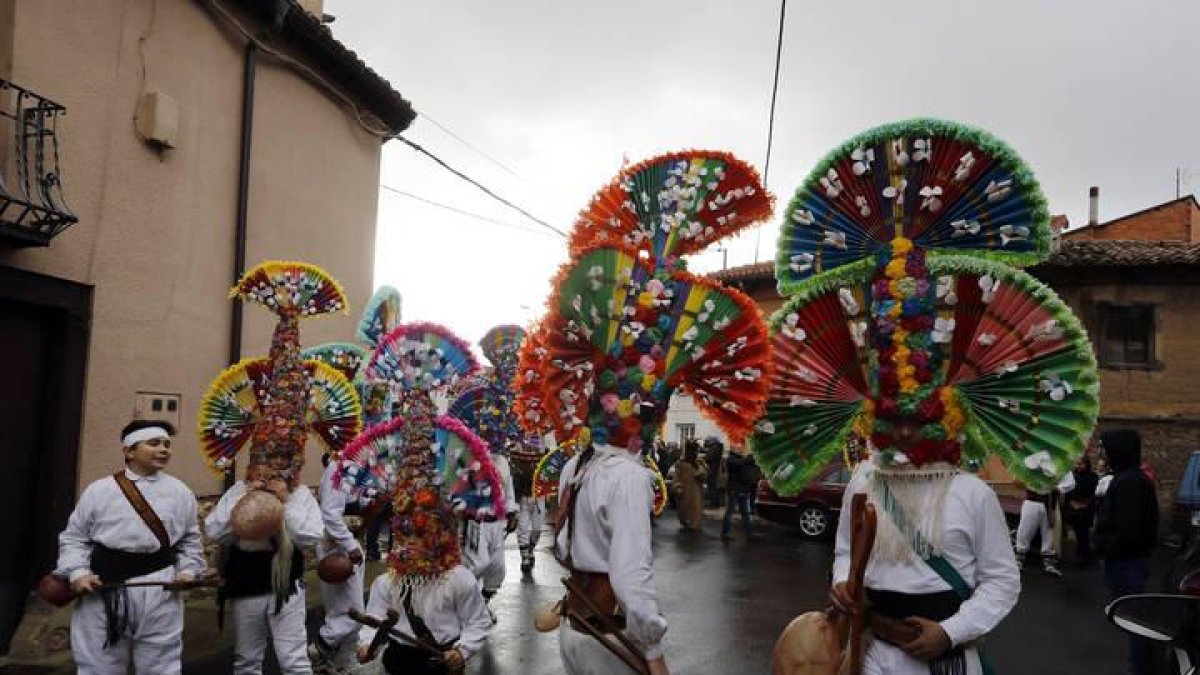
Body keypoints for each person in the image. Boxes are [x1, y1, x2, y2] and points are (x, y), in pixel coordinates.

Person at [512, 150, 776, 675]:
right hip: (611, 637)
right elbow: (632, 579)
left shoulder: (576, 464)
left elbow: (562, 548)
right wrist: (654, 655)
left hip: (575, 629)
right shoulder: (630, 480)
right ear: (651, 418)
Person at [197, 260, 353, 675]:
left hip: (287, 585)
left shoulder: (301, 494)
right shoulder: (239, 490)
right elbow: (214, 531)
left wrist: (278, 507)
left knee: (293, 658)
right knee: (247, 659)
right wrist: (248, 506)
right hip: (247, 583)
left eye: (286, 459)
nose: (274, 466)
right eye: (268, 457)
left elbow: (311, 536)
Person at [55, 420, 206, 675]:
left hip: (160, 589)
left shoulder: (180, 492)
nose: (164, 450)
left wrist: (188, 571)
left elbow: (189, 541)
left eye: (167, 444)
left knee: (162, 666)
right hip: (103, 586)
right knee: (98, 665)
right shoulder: (99, 491)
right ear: (129, 451)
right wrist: (78, 573)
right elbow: (75, 538)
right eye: (154, 443)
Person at [1095, 429, 1159, 675]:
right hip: (1127, 560)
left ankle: (1142, 669)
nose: (1104, 455)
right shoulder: (1128, 478)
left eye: (1107, 450)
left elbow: (1128, 531)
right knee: (1132, 618)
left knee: (1134, 620)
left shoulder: (1130, 481)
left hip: (1126, 562)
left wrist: (1106, 549)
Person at [309, 453, 366, 671]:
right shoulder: (339, 468)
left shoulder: (358, 469)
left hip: (349, 544)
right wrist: (350, 545)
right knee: (351, 614)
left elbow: (357, 505)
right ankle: (320, 647)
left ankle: (343, 664)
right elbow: (331, 514)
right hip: (339, 547)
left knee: (346, 613)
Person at [1013, 471, 1074, 577]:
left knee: (1049, 531)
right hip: (1032, 500)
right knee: (1025, 530)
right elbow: (1018, 481)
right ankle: (1019, 560)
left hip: (1050, 502)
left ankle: (1049, 562)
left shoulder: (1059, 463)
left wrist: (1057, 487)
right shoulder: (1030, 460)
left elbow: (1070, 482)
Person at [1061, 455, 1099, 566]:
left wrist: (1083, 504)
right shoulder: (1072, 476)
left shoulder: (1092, 477)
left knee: (1083, 532)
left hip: (1085, 508)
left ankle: (1084, 556)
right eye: (1077, 463)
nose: (1078, 466)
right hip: (1073, 508)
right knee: (1076, 532)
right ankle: (1080, 553)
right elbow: (1067, 490)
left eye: (1081, 463)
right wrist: (1071, 502)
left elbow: (1092, 492)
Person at [721, 445, 761, 541]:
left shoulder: (742, 459)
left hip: (743, 489)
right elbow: (739, 464)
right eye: (737, 447)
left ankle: (750, 533)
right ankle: (725, 533)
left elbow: (750, 466)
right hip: (734, 490)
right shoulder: (731, 459)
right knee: (730, 512)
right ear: (732, 449)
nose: (740, 448)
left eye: (740, 447)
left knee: (746, 513)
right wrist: (749, 457)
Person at [672, 442, 707, 531]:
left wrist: (699, 471)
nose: (694, 453)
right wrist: (677, 487)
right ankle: (685, 522)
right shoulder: (680, 463)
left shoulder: (699, 462)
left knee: (696, 509)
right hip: (685, 490)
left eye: (695, 451)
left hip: (696, 491)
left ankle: (694, 524)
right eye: (691, 451)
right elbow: (676, 476)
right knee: (684, 509)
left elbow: (704, 475)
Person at [702, 438, 725, 509]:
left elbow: (709, 458)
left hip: (712, 471)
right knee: (713, 488)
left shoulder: (714, 448)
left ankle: (714, 504)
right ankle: (715, 504)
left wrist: (705, 457)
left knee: (712, 488)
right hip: (714, 470)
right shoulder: (718, 448)